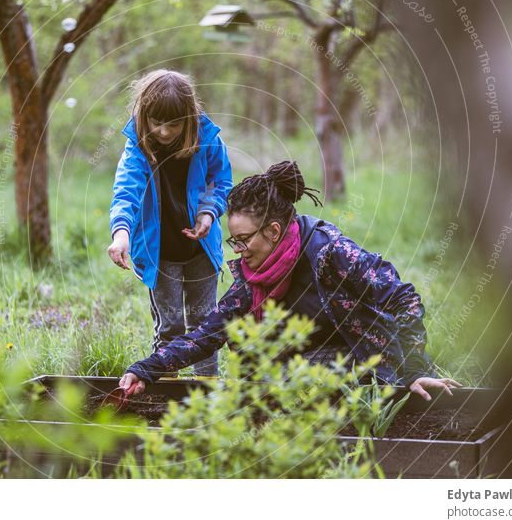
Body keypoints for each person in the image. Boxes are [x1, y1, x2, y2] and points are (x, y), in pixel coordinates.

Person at [119, 161, 460, 400]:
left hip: (365, 363)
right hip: (304, 372)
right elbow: (205, 336)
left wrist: (414, 369)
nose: (237, 250)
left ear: (273, 231)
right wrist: (145, 369)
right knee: (266, 385)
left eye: (243, 240)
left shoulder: (331, 254)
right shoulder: (252, 279)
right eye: (233, 241)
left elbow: (403, 298)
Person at [108, 70, 233, 376]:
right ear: (145, 115)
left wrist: (208, 213)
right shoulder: (137, 147)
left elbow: (221, 181)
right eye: (156, 122)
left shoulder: (208, 139)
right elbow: (127, 192)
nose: (164, 131)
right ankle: (165, 393)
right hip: (159, 252)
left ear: (189, 117)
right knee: (171, 326)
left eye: (174, 123)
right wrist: (121, 233)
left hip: (200, 250)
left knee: (205, 324)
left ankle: (207, 393)